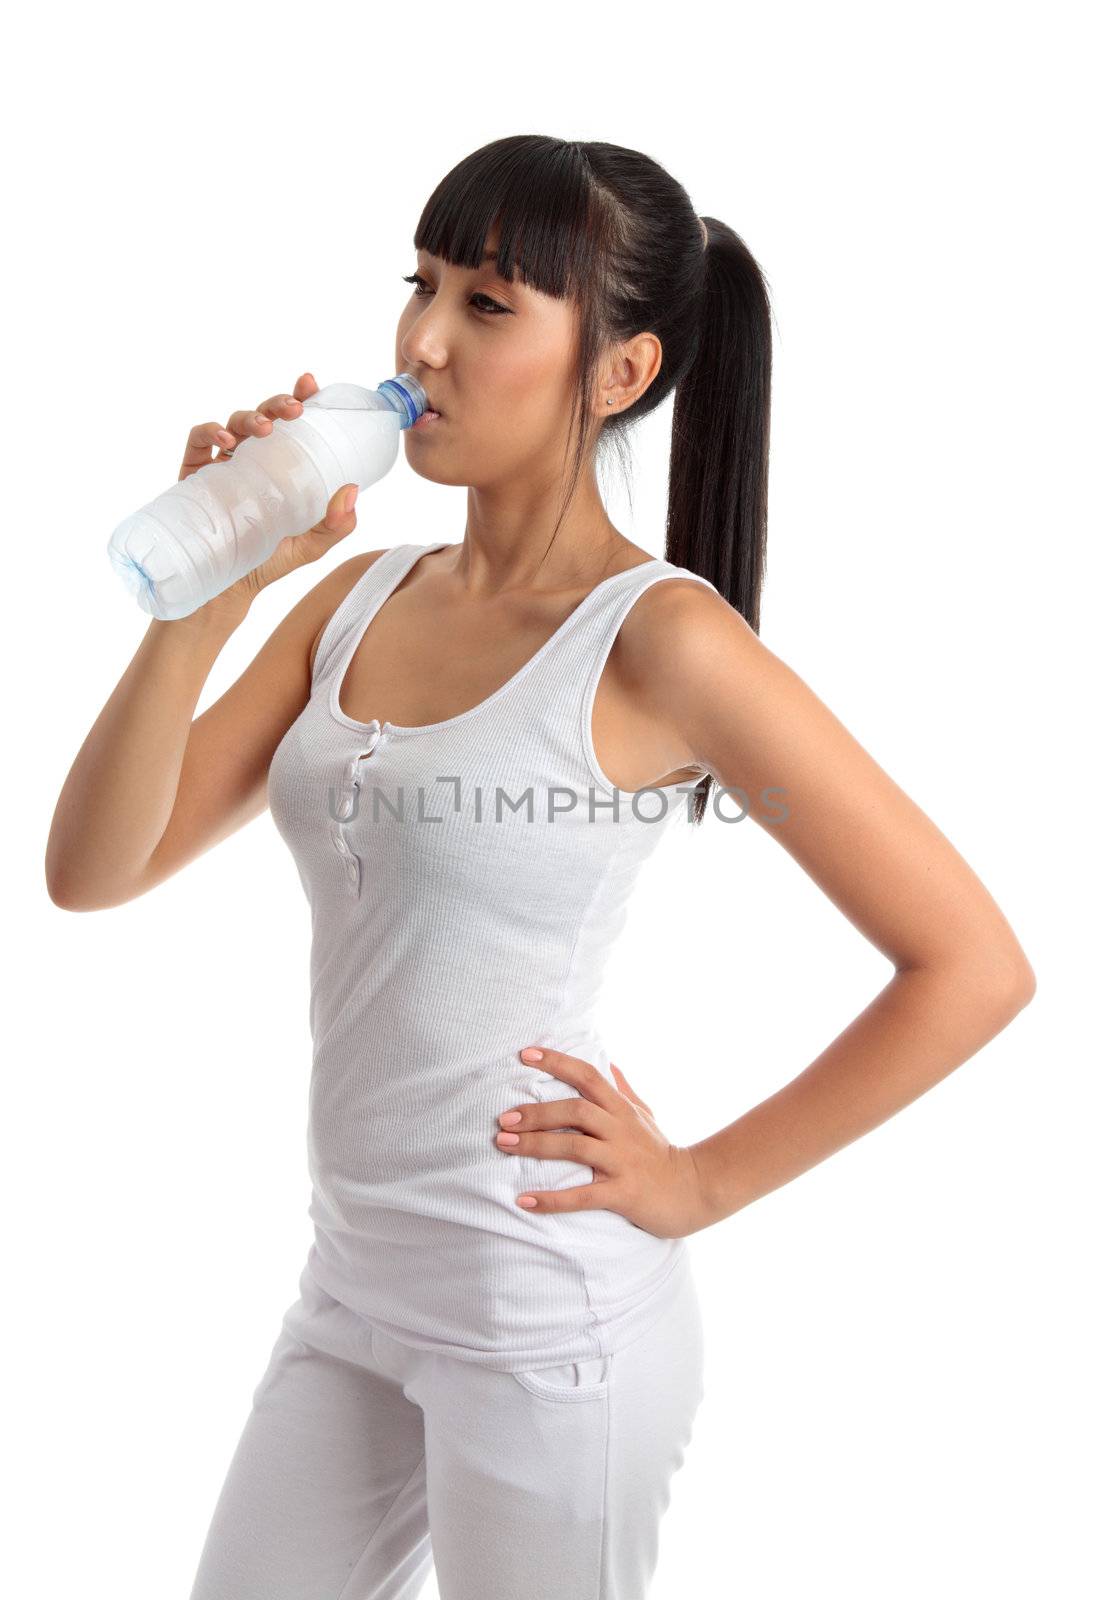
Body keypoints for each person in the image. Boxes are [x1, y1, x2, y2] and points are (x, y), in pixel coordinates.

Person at [45, 135, 1035, 1600]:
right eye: (422, 284)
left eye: (490, 304)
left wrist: (698, 1181)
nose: (422, 341)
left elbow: (970, 965)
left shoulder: (661, 642)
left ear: (619, 372)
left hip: (543, 1320)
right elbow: (92, 871)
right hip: (351, 1294)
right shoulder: (351, 596)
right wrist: (205, 593)